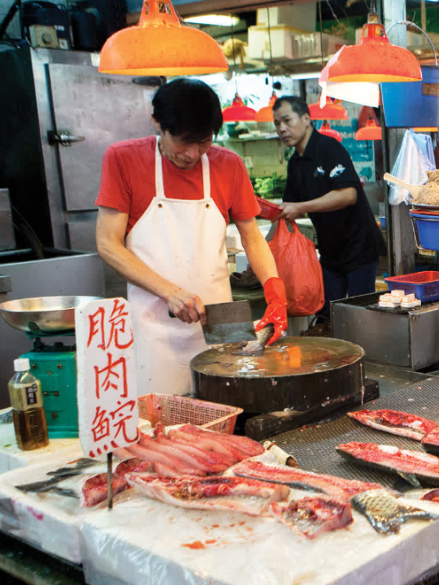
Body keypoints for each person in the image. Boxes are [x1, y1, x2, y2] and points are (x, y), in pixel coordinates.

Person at [96, 78, 287, 396]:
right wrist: (170, 292)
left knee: (230, 407)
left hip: (221, 321)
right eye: (183, 142)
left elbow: (252, 237)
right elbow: (107, 244)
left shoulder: (229, 165)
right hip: (153, 324)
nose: (193, 154)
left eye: (204, 142)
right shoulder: (123, 159)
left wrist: (275, 292)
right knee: (164, 414)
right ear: (158, 124)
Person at [273, 96, 384, 321]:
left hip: (359, 249)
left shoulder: (328, 148)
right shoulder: (295, 164)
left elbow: (348, 195)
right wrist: (264, 252)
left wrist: (301, 207)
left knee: (359, 317)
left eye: (287, 120)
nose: (282, 128)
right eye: (277, 123)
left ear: (306, 119)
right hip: (330, 254)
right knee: (327, 317)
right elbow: (287, 212)